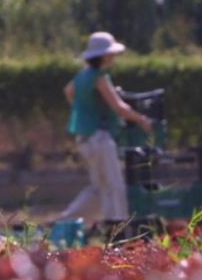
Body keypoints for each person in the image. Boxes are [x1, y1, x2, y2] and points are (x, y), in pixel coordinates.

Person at [57, 32, 152, 224]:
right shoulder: (99, 77)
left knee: (99, 187)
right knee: (114, 185)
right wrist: (141, 119)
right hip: (100, 137)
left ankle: (65, 221)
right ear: (101, 56)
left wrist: (83, 111)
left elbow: (68, 92)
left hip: (85, 137)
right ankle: (116, 226)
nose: (113, 57)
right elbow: (118, 106)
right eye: (110, 53)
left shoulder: (82, 75)